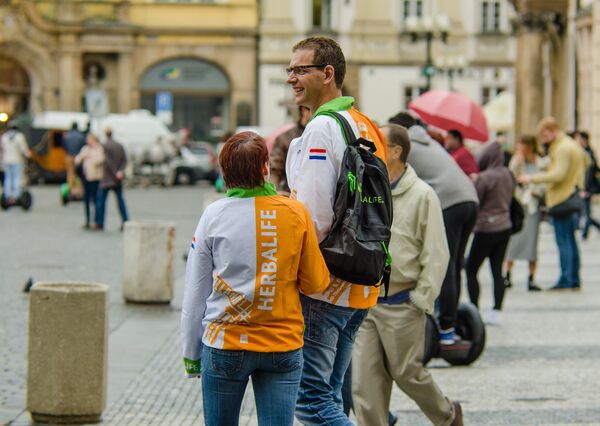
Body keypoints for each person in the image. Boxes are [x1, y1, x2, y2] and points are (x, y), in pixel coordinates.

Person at [181, 131, 330, 426]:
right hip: (282, 344)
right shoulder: (296, 213)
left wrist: (191, 355)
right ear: (265, 167)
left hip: (226, 343)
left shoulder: (213, 215)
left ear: (224, 172)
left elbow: (195, 293)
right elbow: (315, 284)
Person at [284, 37, 387, 425]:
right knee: (330, 393)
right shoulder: (363, 123)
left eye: (300, 70)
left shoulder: (323, 127)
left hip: (326, 283)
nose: (291, 78)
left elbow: (313, 218)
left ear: (327, 74)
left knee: (311, 400)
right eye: (289, 70)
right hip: (363, 279)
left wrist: (293, 272)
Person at [352, 123, 463, 426]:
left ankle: (448, 415)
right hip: (368, 303)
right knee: (365, 385)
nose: (370, 148)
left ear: (396, 151)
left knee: (407, 374)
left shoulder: (423, 195)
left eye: (378, 143)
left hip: (403, 303)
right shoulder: (369, 189)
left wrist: (422, 299)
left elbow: (437, 253)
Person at [388, 112, 479, 345]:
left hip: (449, 201)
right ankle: (451, 318)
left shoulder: (408, 150)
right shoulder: (429, 142)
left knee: (442, 262)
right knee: (455, 264)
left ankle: (446, 327)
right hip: (469, 199)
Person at [518, 117, 587, 290]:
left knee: (564, 241)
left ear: (553, 130)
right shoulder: (570, 144)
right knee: (570, 240)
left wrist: (532, 178)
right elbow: (586, 161)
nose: (543, 139)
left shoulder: (562, 148)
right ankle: (574, 278)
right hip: (570, 195)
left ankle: (566, 279)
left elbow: (559, 175)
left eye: (545, 135)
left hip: (561, 198)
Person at [465, 142, 515, 325]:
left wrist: (474, 181)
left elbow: (476, 200)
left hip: (486, 229)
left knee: (471, 269)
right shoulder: (508, 174)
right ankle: (497, 310)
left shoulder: (485, 178)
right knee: (497, 270)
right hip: (505, 226)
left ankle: (474, 308)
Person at [504, 135, 546, 291]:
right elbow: (509, 178)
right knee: (514, 240)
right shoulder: (516, 161)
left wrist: (538, 191)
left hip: (534, 206)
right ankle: (507, 274)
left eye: (521, 144)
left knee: (532, 243)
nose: (518, 147)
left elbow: (544, 180)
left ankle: (531, 277)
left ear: (529, 145)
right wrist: (518, 163)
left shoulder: (540, 161)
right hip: (519, 206)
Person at [269, 105, 311, 194]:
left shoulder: (319, 133)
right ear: (303, 110)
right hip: (289, 195)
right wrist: (273, 194)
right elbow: (274, 169)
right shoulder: (284, 138)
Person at [95, 128, 129, 231]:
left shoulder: (105, 145)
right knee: (120, 201)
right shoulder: (120, 145)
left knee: (101, 202)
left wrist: (115, 172)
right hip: (117, 179)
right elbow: (125, 160)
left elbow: (108, 161)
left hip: (107, 178)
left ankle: (99, 223)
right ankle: (125, 221)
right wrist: (120, 172)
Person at [573, 130, 600, 239]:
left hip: (586, 188)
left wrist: (585, 189)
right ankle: (585, 232)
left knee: (586, 212)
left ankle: (585, 233)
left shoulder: (587, 154)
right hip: (585, 187)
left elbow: (588, 174)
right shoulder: (586, 152)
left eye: (578, 139)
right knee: (585, 211)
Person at [75, 133, 104, 229]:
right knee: (86, 200)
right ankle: (87, 220)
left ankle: (96, 221)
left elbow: (100, 160)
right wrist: (83, 157)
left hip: (95, 178)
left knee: (95, 200)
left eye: (89, 139)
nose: (88, 141)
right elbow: (77, 159)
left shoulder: (99, 148)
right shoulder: (85, 149)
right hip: (86, 177)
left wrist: (90, 156)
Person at [1, 122, 31, 202]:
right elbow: (24, 150)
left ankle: (7, 195)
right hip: (17, 160)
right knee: (17, 177)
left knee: (8, 178)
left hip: (6, 161)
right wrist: (28, 155)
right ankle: (15, 196)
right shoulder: (19, 137)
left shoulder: (4, 136)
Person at [63, 122, 87, 197]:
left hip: (69, 156)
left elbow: (64, 147)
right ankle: (80, 192)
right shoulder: (81, 136)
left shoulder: (66, 135)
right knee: (80, 175)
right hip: (79, 156)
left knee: (70, 174)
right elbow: (84, 146)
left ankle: (70, 191)